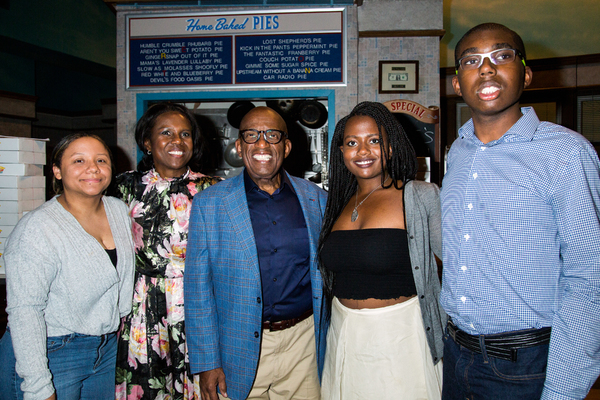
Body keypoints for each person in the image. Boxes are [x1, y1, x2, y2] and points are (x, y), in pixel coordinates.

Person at [441, 22, 600, 399]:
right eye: (471, 60)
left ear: (526, 74)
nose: (486, 68)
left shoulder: (565, 154)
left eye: (502, 56)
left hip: (524, 365)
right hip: (456, 355)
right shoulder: (457, 152)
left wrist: (562, 390)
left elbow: (589, 278)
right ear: (458, 84)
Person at [184, 106, 328, 400]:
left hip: (304, 345)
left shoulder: (317, 199)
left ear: (286, 147)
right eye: (251, 135)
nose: (262, 144)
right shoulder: (209, 204)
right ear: (239, 146)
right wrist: (207, 362)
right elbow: (198, 289)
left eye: (272, 135)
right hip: (237, 348)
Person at [317, 101, 445, 399]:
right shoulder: (336, 202)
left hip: (401, 338)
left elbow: (457, 265)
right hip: (343, 334)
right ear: (341, 152)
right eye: (352, 143)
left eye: (374, 140)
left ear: (390, 147)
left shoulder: (420, 196)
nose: (363, 151)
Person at [0, 133, 135, 400]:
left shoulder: (119, 210)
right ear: (57, 171)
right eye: (78, 161)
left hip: (107, 349)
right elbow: (24, 311)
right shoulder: (37, 229)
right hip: (51, 352)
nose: (92, 168)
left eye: (101, 160)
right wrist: (38, 385)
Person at [114, 102, 221, 400]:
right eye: (166, 133)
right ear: (147, 142)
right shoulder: (122, 189)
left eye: (185, 134)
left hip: (199, 304)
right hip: (142, 307)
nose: (177, 141)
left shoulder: (215, 190)